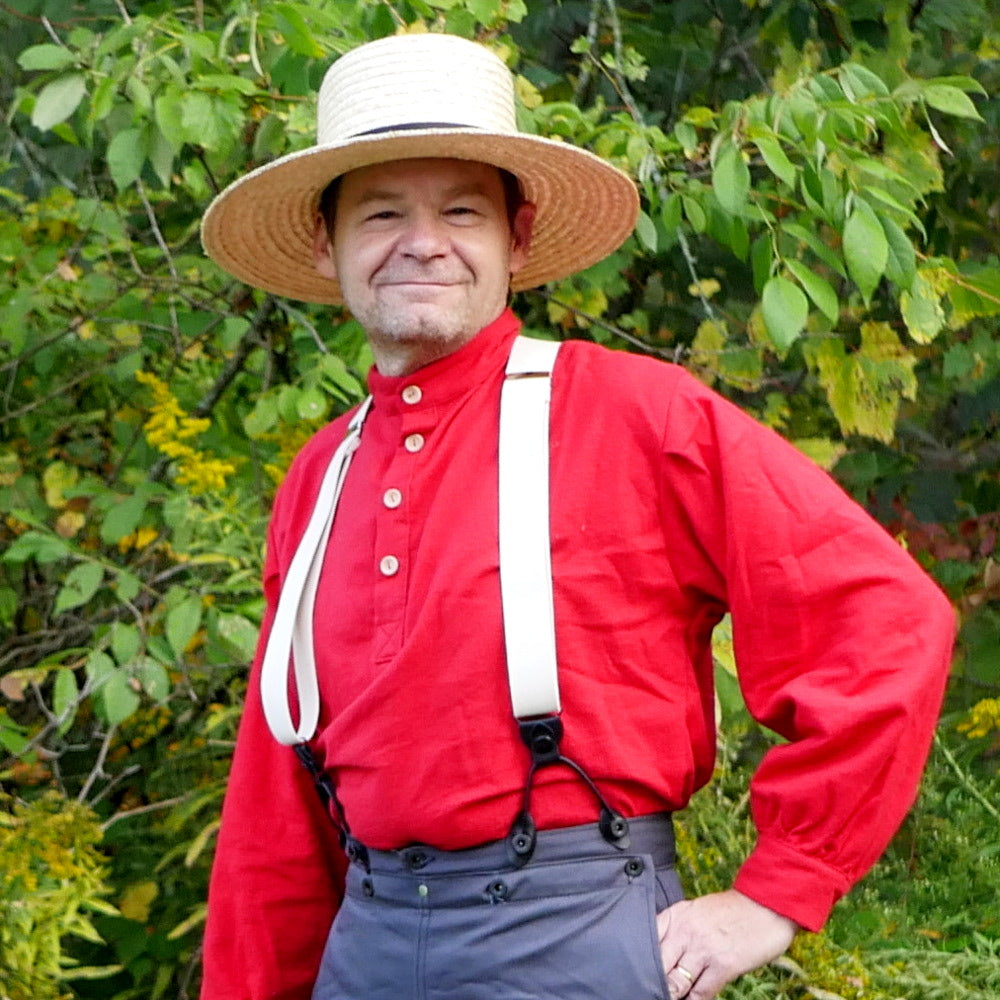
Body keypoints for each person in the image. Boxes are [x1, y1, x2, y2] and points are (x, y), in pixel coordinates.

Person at [199, 31, 955, 1000]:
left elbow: (883, 622)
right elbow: (279, 795)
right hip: (368, 946)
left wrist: (778, 890)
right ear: (327, 243)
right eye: (381, 212)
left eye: (460, 211)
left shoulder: (638, 412)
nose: (420, 241)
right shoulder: (322, 472)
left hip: (574, 942)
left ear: (514, 240)